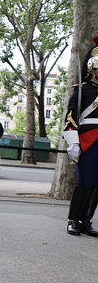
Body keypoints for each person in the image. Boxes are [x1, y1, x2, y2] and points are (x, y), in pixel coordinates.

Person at [62, 36, 98, 237]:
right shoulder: (82, 90)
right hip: (87, 140)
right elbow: (70, 118)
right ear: (92, 69)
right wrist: (74, 143)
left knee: (97, 185)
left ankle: (86, 220)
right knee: (84, 182)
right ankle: (73, 219)